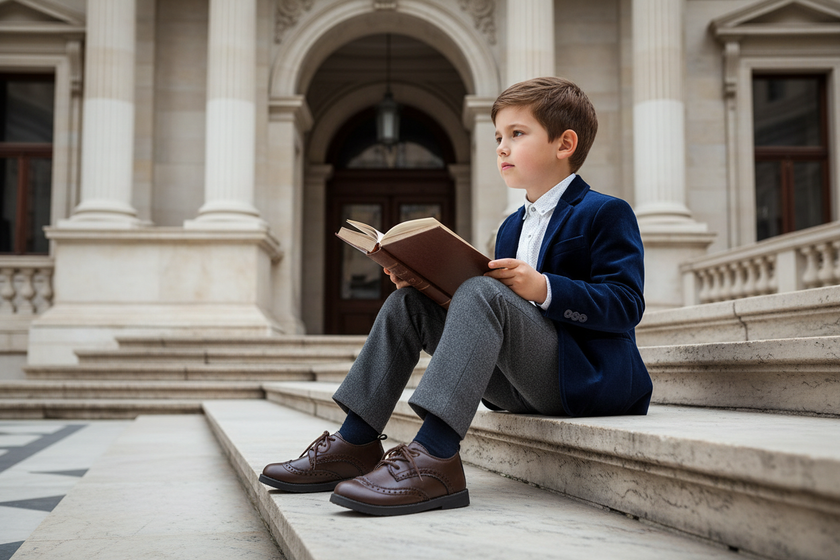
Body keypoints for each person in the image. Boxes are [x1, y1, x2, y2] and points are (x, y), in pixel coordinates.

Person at [260, 76, 652, 516]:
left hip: (583, 378)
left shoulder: (605, 212)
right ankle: (354, 442)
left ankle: (436, 456)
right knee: (409, 303)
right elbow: (497, 320)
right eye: (498, 137)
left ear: (565, 144)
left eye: (517, 134)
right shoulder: (510, 227)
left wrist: (543, 288)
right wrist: (427, 285)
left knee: (483, 290)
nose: (501, 147)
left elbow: (625, 305)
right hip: (519, 380)